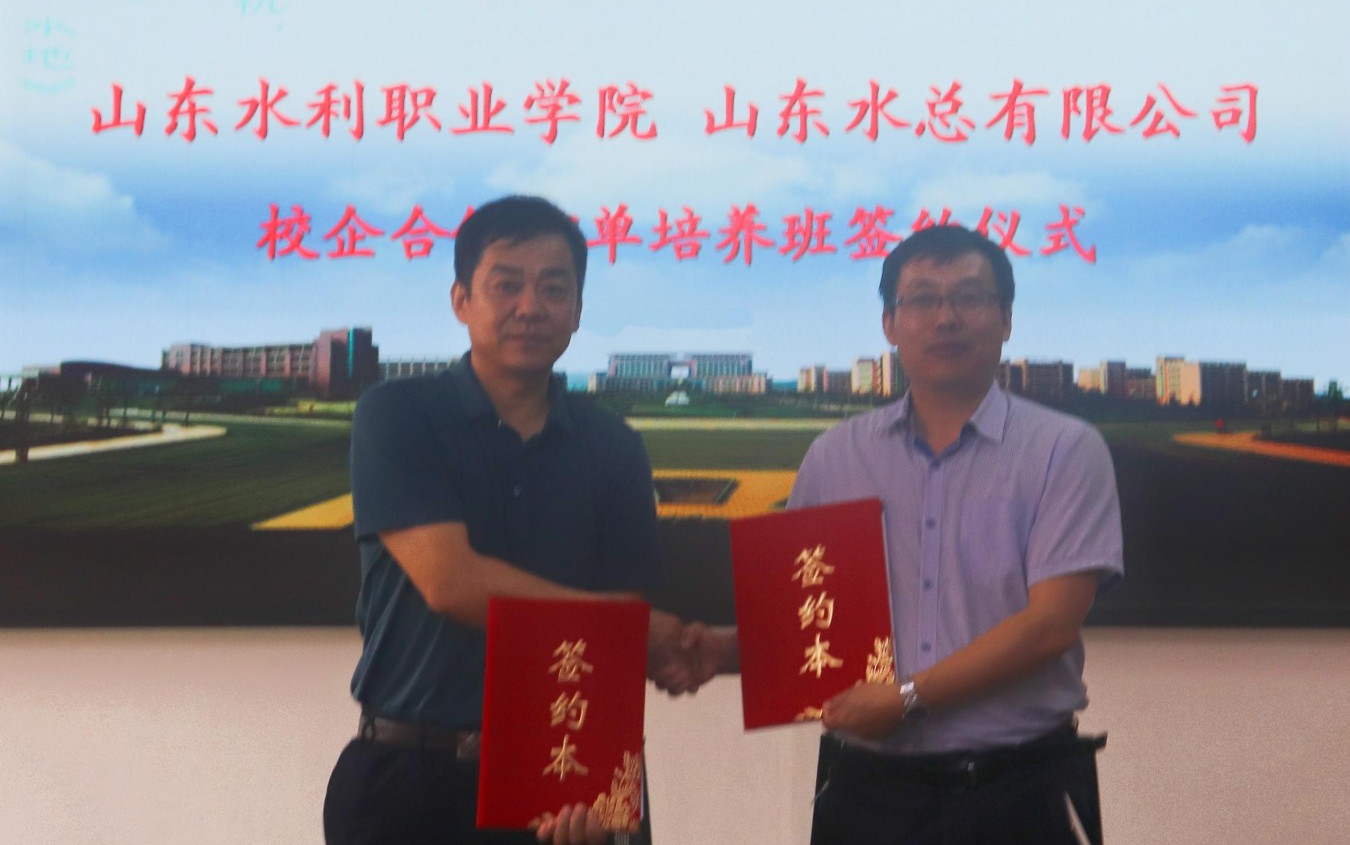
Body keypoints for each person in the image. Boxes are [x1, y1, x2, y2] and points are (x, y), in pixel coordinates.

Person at [689, 224, 1123, 845]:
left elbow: (1050, 626)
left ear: (1006, 318)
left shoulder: (1065, 450)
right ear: (890, 324)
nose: (946, 318)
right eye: (922, 299)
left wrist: (907, 698)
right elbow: (804, 626)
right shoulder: (835, 458)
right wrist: (717, 651)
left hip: (1020, 788)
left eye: (969, 297)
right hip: (868, 792)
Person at [323, 195, 697, 845]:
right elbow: (449, 581)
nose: (531, 306)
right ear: (461, 300)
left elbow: (614, 627)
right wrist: (630, 627)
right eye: (506, 285)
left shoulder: (614, 445)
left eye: (554, 288)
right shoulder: (398, 414)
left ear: (577, 310)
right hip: (410, 780)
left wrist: (593, 778)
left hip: (561, 775)